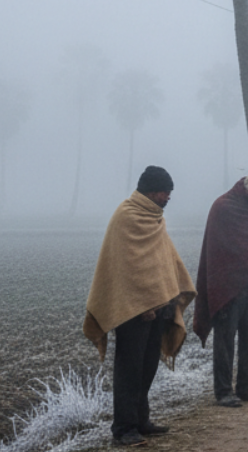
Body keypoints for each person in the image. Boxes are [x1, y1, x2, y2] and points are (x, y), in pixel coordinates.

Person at [84, 165, 197, 447]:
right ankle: (123, 429)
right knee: (129, 369)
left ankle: (141, 421)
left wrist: (167, 299)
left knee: (147, 366)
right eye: (163, 192)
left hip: (158, 308)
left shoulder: (156, 219)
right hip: (132, 311)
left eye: (169, 193)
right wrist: (141, 304)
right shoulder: (127, 217)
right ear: (149, 191)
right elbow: (125, 269)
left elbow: (162, 262)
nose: (167, 197)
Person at [193, 168, 248, 408]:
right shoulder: (222, 207)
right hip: (228, 288)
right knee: (225, 341)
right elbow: (217, 252)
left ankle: (246, 387)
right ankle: (223, 391)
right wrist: (224, 282)